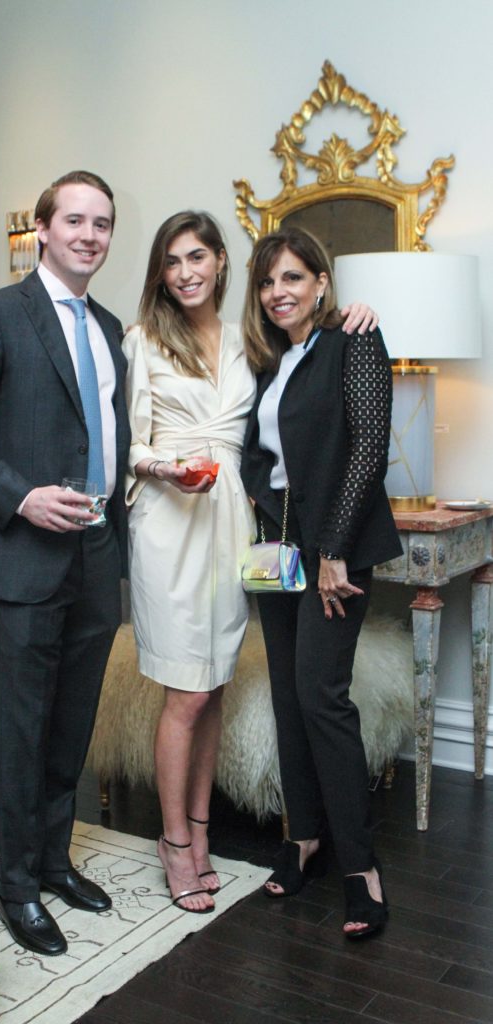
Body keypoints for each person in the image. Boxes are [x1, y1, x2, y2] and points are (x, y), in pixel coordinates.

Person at [123, 213, 376, 915]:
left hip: (245, 526)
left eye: (196, 256)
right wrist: (166, 468)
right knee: (187, 690)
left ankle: (209, 836)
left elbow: (324, 417)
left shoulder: (251, 343)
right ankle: (176, 844)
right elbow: (123, 444)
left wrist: (353, 311)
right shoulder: (142, 341)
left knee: (219, 683)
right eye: (170, 261)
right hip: (172, 521)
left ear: (219, 262)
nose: (184, 273)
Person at [0, 170, 131, 957]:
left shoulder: (110, 327)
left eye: (102, 223)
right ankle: (13, 886)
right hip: (23, 554)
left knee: (70, 725)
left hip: (95, 551)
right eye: (74, 220)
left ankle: (52, 862)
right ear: (42, 230)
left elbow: (104, 437)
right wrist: (20, 497)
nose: (89, 234)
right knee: (16, 731)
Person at [239, 226, 402, 939]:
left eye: (292, 279)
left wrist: (333, 548)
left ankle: (360, 868)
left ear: (320, 283)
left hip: (332, 546)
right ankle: (301, 835)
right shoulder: (267, 361)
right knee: (285, 695)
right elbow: (258, 453)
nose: (279, 293)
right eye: (269, 282)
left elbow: (368, 446)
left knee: (320, 696)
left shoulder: (354, 343)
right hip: (276, 548)